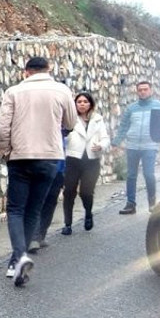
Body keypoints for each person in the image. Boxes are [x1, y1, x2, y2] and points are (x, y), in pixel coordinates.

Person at [0, 56, 77, 286]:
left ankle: (18, 257)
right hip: (50, 158)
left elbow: (2, 129)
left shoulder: (14, 92)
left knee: (15, 209)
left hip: (20, 157)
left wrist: (5, 151)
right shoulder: (62, 90)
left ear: (26, 72)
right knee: (33, 209)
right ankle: (17, 259)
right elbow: (71, 123)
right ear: (48, 69)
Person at [113, 80, 160, 214]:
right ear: (137, 91)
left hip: (150, 145)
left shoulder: (159, 106)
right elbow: (124, 126)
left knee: (149, 174)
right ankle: (130, 204)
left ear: (151, 90)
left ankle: (152, 203)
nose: (143, 92)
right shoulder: (131, 108)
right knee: (131, 175)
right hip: (132, 145)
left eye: (145, 89)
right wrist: (116, 142)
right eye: (140, 90)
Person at [60, 91, 110, 234]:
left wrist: (101, 145)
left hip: (91, 159)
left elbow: (105, 138)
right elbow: (62, 133)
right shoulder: (70, 119)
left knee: (86, 192)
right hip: (73, 158)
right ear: (75, 104)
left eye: (85, 102)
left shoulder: (97, 119)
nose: (82, 104)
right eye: (79, 102)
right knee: (69, 191)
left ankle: (88, 213)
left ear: (90, 104)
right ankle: (67, 224)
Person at [28, 132, 67, 253]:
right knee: (38, 201)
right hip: (41, 165)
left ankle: (40, 236)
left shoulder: (63, 127)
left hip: (58, 168)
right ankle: (34, 238)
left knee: (51, 202)